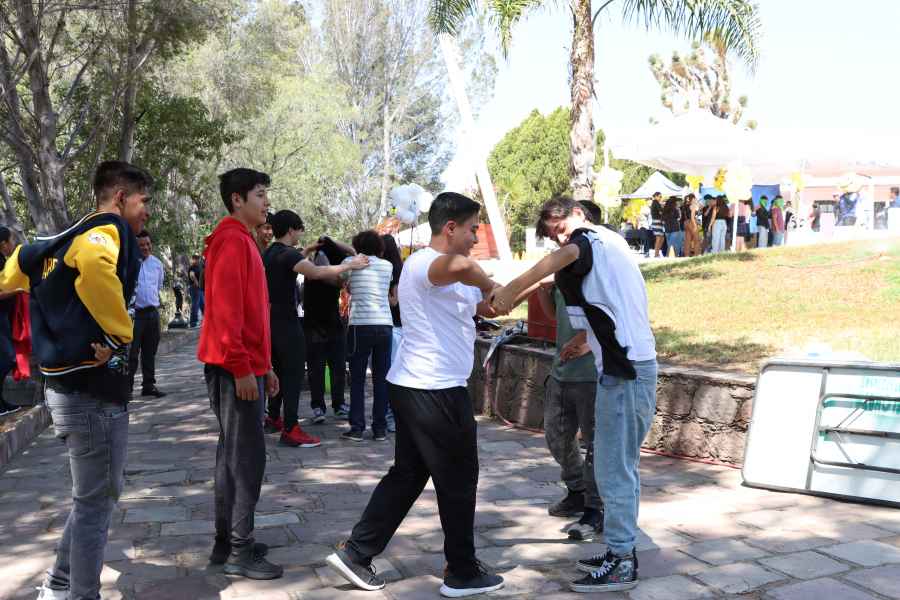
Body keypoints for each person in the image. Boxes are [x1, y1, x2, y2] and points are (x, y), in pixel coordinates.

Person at [326, 192, 506, 598]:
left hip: (420, 386)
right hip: (433, 388)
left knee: (408, 474)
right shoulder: (428, 264)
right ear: (450, 228)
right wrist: (489, 282)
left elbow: (486, 307)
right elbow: (464, 267)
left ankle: (356, 552)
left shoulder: (450, 274)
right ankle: (462, 571)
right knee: (459, 478)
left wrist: (526, 286)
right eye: (472, 229)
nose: (475, 237)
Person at [491, 196, 657, 594]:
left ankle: (621, 560)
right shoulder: (611, 246)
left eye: (561, 227)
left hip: (626, 374)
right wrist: (584, 340)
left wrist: (511, 290)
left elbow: (558, 259)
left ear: (579, 215)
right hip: (625, 370)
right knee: (617, 468)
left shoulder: (589, 240)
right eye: (553, 235)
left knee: (614, 470)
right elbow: (609, 308)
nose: (560, 239)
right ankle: (620, 549)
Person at [0, 161, 148, 600]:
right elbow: (97, 266)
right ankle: (81, 594)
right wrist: (119, 334)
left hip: (66, 389)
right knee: (95, 502)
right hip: (92, 392)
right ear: (120, 197)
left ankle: (59, 584)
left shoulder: (57, 239)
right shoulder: (105, 232)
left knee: (94, 497)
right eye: (144, 202)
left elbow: (11, 273)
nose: (147, 212)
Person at [197, 167, 283, 580]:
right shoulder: (232, 240)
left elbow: (251, 314)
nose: (266, 202)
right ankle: (239, 550)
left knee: (233, 456)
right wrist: (242, 367)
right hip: (233, 369)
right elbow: (226, 312)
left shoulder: (241, 239)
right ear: (238, 199)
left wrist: (264, 367)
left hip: (244, 367)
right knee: (246, 459)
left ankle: (227, 543)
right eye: (260, 194)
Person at [263, 209, 367, 446]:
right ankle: (291, 429)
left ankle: (274, 418)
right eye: (299, 230)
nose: (301, 235)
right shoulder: (288, 254)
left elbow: (296, 259)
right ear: (291, 230)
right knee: (293, 374)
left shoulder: (269, 253)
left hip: (269, 322)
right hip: (287, 323)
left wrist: (309, 249)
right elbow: (317, 272)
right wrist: (351, 264)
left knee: (278, 370)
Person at [534, 275, 603, 542]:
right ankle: (577, 491)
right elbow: (556, 316)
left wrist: (586, 342)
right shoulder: (562, 275)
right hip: (561, 372)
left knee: (596, 446)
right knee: (556, 437)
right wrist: (543, 291)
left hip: (592, 375)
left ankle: (596, 508)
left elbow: (611, 318)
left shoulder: (596, 277)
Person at [341, 230, 395, 442]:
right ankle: (380, 428)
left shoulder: (350, 262)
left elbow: (342, 281)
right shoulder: (388, 265)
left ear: (357, 245)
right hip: (384, 325)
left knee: (357, 378)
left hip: (360, 325)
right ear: (379, 247)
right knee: (381, 378)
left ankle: (357, 428)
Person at [304, 236, 355, 423]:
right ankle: (324, 406)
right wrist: (326, 245)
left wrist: (325, 242)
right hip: (317, 325)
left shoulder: (319, 267)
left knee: (334, 366)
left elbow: (352, 252)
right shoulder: (315, 271)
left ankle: (331, 405)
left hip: (328, 323)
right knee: (321, 368)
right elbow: (351, 254)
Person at [128, 230, 167, 398]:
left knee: (150, 351)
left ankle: (148, 385)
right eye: (141, 245)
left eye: (148, 244)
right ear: (136, 247)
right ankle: (127, 389)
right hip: (135, 315)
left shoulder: (157, 264)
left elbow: (158, 286)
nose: (146, 247)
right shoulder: (129, 263)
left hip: (152, 314)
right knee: (132, 353)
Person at [381, 234, 403, 433]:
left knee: (391, 373)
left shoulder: (393, 270)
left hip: (396, 327)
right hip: (399, 326)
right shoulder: (399, 267)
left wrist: (377, 292)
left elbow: (394, 301)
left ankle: (391, 416)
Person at [0, 227, 21, 416]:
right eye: (11, 240)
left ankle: (2, 402)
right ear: (3, 244)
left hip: (4, 317)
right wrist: (19, 290)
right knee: (8, 358)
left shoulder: (4, 261)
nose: (13, 244)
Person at [188, 253, 205, 328]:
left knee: (203, 304)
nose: (197, 260)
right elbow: (192, 275)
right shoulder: (192, 267)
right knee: (195, 305)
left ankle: (206, 321)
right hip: (194, 287)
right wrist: (196, 282)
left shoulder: (199, 267)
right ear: (193, 259)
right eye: (195, 258)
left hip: (200, 288)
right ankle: (193, 323)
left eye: (198, 258)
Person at [649, 193, 665, 257]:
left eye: (661, 197)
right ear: (655, 196)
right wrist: (663, 207)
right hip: (657, 222)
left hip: (656, 222)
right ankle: (656, 254)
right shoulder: (656, 202)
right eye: (660, 196)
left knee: (661, 238)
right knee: (659, 238)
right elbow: (661, 211)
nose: (661, 198)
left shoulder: (654, 203)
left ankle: (657, 253)